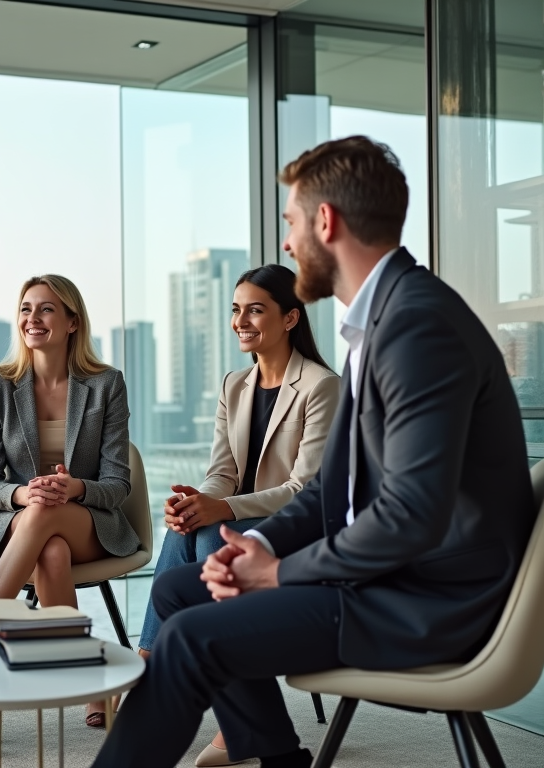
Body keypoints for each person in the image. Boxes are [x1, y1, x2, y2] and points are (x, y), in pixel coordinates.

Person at [90, 136, 537, 768]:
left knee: (190, 636)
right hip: (394, 580)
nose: (288, 241)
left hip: (428, 601)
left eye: (292, 222)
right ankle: (272, 753)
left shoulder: (417, 326)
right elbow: (333, 489)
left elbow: (411, 515)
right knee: (182, 593)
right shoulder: (381, 319)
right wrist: (262, 547)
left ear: (325, 221)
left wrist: (278, 574)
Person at [136, 264, 338, 767]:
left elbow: (304, 491)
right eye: (235, 309)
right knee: (186, 528)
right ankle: (160, 671)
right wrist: (197, 499)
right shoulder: (235, 384)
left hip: (288, 533)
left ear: (290, 318)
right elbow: (220, 472)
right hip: (235, 517)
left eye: (255, 309)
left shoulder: (320, 387)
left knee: (210, 537)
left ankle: (200, 700)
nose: (240, 320)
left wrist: (219, 507)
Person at [0, 274, 140, 726]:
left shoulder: (105, 384)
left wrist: (75, 487)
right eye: (25, 309)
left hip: (90, 522)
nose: (32, 319)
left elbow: (119, 482)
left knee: (51, 521)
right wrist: (22, 492)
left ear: (72, 322)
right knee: (48, 545)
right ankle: (93, 689)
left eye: (46, 309)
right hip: (18, 520)